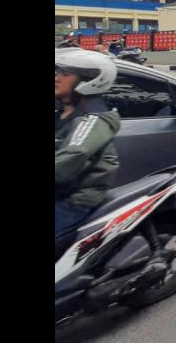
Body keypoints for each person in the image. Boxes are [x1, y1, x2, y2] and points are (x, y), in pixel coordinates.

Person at [55, 50, 121, 239]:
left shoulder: (93, 117)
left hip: (74, 200)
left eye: (65, 74)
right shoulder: (64, 109)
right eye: (56, 72)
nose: (56, 77)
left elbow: (73, 155)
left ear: (88, 80)